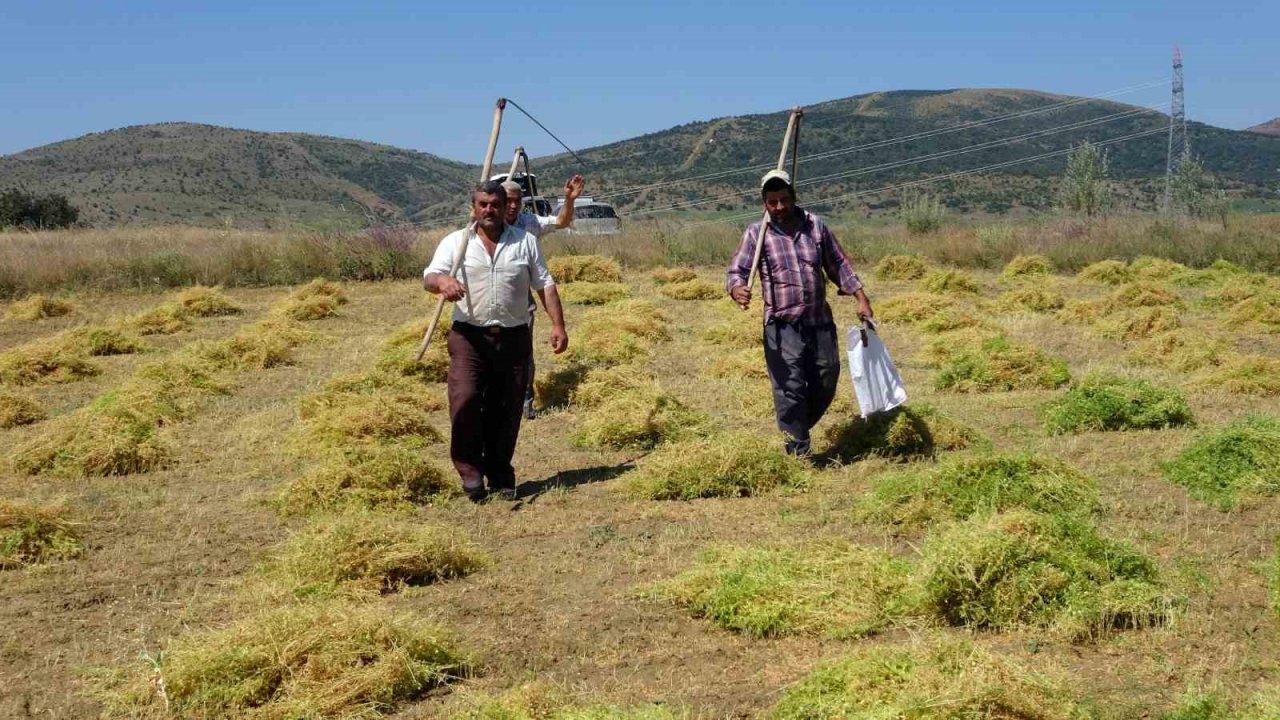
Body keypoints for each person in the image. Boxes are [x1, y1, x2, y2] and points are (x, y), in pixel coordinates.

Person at [424, 180, 569, 501]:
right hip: (468, 337)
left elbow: (545, 284)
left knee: (507, 407)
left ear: (506, 208)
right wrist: (443, 281)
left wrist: (557, 324)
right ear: (473, 208)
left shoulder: (525, 242)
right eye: (483, 205)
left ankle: (501, 472)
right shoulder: (455, 243)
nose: (489, 210)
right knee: (465, 400)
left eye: (495, 205)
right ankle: (469, 470)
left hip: (513, 337)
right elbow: (429, 277)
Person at [725, 169, 874, 458]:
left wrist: (861, 298)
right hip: (782, 326)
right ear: (764, 203)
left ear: (793, 197)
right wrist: (737, 290)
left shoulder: (815, 226)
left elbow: (838, 264)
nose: (779, 207)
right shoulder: (757, 234)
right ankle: (798, 449)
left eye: (784, 200)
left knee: (827, 379)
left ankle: (797, 428)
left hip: (819, 322)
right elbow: (736, 272)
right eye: (772, 202)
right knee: (789, 387)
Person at [501, 175, 585, 420]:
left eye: (518, 201)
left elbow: (561, 221)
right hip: (489, 301)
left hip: (521, 299)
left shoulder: (529, 223)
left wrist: (569, 200)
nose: (513, 206)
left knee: (522, 353)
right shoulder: (487, 225)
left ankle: (524, 402)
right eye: (508, 201)